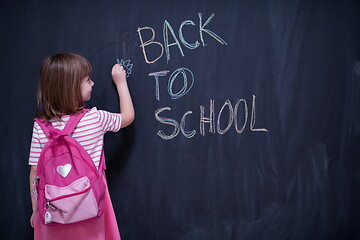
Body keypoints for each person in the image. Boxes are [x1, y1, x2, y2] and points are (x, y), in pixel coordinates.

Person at [28, 52, 134, 239]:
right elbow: (127, 117)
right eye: (87, 80)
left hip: (53, 208)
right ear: (71, 88)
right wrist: (121, 83)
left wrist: (36, 210)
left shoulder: (40, 126)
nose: (92, 84)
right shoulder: (95, 118)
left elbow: (35, 172)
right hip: (90, 204)